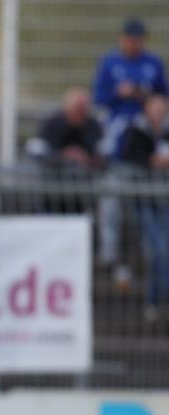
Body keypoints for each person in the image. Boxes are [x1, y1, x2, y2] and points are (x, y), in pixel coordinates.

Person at [119, 94, 169, 322]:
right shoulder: (136, 131)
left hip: (164, 200)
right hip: (145, 200)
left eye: (162, 108)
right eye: (155, 107)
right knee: (158, 251)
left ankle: (158, 300)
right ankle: (154, 301)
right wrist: (151, 161)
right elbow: (126, 158)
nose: (159, 111)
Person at [93, 18, 167, 157]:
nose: (133, 44)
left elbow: (163, 94)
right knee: (111, 146)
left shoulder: (154, 62)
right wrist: (118, 93)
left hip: (148, 121)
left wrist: (148, 97)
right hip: (118, 119)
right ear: (122, 38)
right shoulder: (109, 62)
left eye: (137, 39)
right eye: (129, 39)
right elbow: (98, 98)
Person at [33, 88, 103, 171]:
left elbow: (101, 156)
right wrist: (65, 156)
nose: (81, 113)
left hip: (89, 178)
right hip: (54, 177)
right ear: (68, 108)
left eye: (83, 108)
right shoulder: (53, 125)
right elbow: (42, 154)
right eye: (78, 108)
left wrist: (86, 158)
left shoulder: (93, 126)